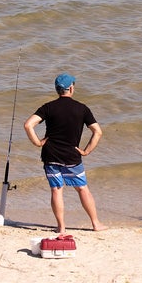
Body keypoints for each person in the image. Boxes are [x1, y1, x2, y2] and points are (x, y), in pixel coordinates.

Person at [24, 73, 107, 234]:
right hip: (72, 156)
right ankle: (96, 224)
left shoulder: (48, 107)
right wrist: (86, 151)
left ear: (57, 90)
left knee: (56, 190)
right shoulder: (82, 108)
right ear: (71, 88)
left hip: (51, 155)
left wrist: (38, 142)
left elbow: (28, 125)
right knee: (82, 189)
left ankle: (61, 227)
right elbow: (97, 131)